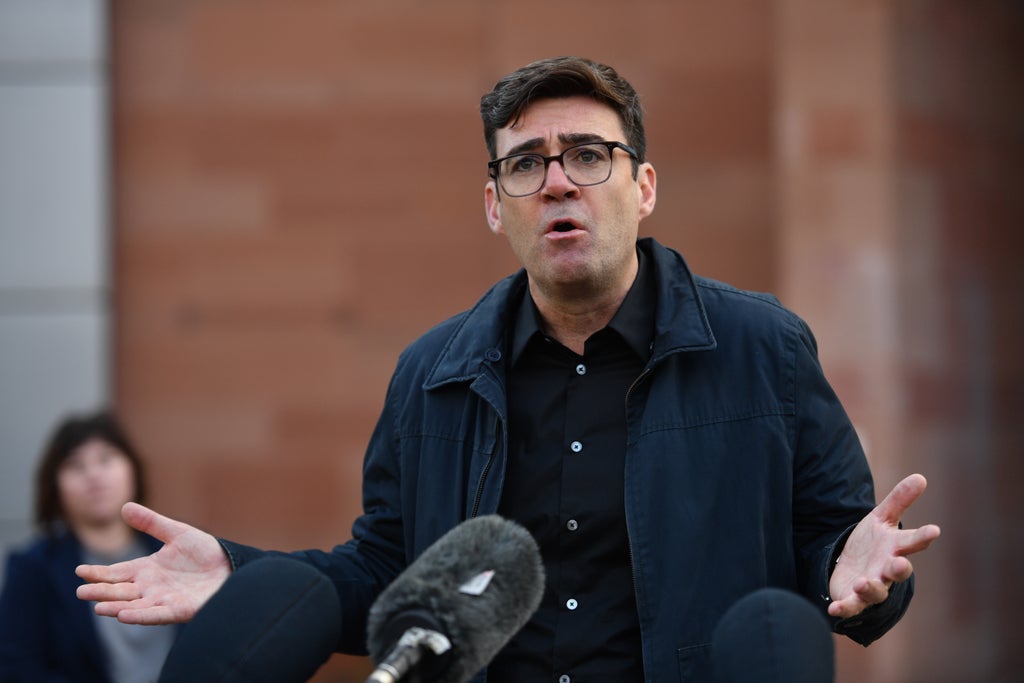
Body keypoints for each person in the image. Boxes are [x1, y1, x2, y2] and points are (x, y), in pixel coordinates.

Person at [75, 57, 941, 682]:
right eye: (527, 163)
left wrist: (859, 576)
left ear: (642, 187)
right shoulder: (433, 373)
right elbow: (390, 575)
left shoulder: (762, 347)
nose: (558, 182)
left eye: (588, 155)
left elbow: (836, 554)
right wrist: (241, 575)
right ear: (497, 205)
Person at [0, 410, 176, 683]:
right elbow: (16, 669)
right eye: (76, 466)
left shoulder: (173, 552)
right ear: (55, 485)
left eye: (106, 459)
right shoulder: (32, 568)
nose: (94, 475)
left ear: (132, 469)